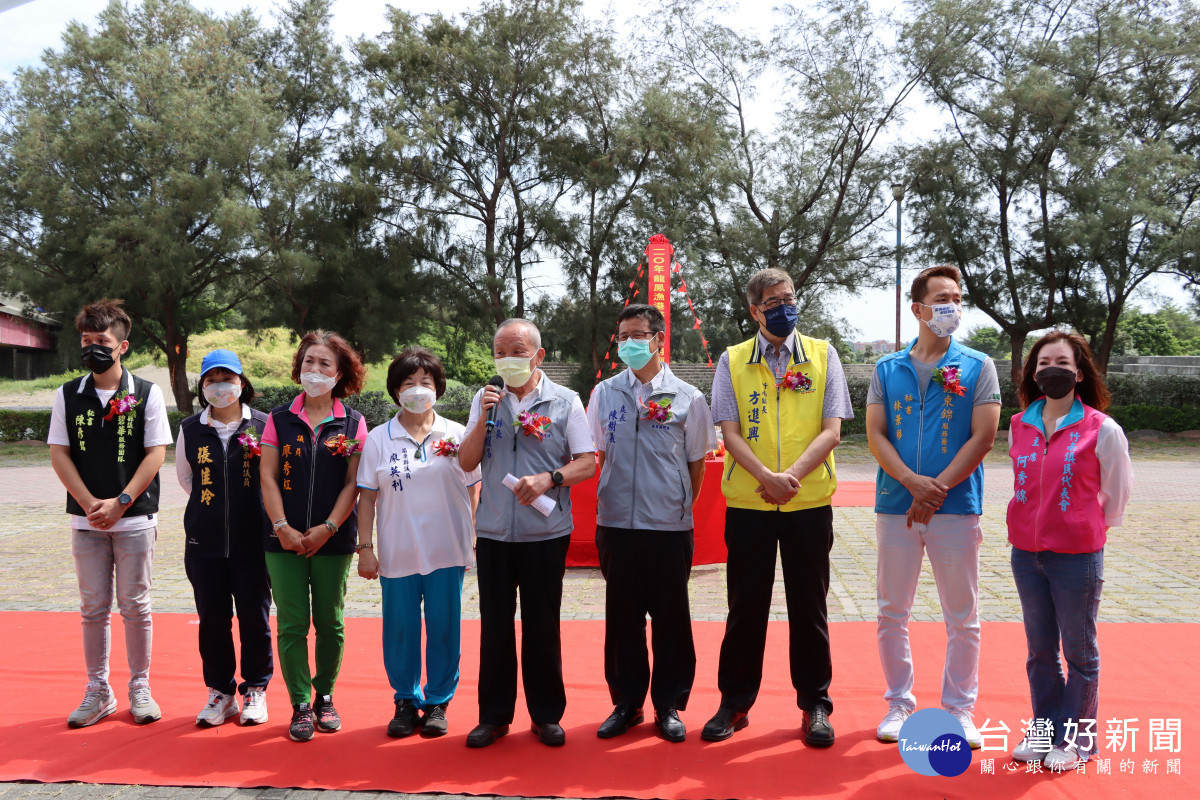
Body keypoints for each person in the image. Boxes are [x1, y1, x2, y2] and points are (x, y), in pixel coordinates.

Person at [702, 268, 854, 747]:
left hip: (808, 502)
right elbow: (727, 431)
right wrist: (767, 478)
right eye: (772, 301)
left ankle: (815, 705)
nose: (783, 307)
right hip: (750, 502)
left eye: (789, 298)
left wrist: (792, 478)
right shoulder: (732, 360)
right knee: (745, 606)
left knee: (809, 606)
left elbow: (832, 430)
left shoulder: (824, 356)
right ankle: (735, 703)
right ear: (754, 310)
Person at [865, 264, 1001, 747]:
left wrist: (935, 490)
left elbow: (983, 437)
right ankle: (899, 704)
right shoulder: (887, 368)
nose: (952, 307)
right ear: (918, 308)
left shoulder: (977, 366)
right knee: (891, 611)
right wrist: (909, 482)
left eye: (957, 298)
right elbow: (876, 433)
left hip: (956, 507)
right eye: (942, 298)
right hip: (895, 505)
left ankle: (960, 710)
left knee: (962, 615)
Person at [458, 318, 596, 748]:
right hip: (496, 532)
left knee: (542, 624)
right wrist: (483, 416)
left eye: (517, 352)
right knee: (495, 626)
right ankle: (494, 717)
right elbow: (466, 461)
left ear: (538, 356)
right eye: (500, 352)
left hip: (545, 532)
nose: (508, 360)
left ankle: (546, 716)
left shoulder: (565, 401)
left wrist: (549, 478)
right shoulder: (486, 398)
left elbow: (587, 461)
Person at [585, 304, 716, 743]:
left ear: (660, 340)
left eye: (639, 335)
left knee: (670, 617)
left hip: (668, 527)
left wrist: (679, 507)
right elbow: (597, 453)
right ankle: (627, 703)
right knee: (622, 618)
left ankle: (669, 704)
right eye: (623, 336)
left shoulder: (688, 398)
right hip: (617, 524)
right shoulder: (604, 394)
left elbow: (697, 462)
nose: (630, 344)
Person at [1007, 331, 1132, 771]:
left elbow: (1116, 493)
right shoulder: (1019, 424)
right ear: (1033, 373)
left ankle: (1078, 740)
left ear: (1078, 373)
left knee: (1078, 652)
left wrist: (1087, 527)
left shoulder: (1102, 428)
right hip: (1026, 554)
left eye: (1061, 362)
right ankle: (1044, 731)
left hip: (1077, 556)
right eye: (1042, 363)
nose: (1051, 369)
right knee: (1040, 649)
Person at [48, 299, 173, 727]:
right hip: (86, 520)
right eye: (86, 341)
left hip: (134, 518)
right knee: (92, 608)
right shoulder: (69, 394)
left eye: (101, 341)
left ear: (122, 346)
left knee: (135, 605)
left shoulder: (146, 392)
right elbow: (59, 453)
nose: (93, 349)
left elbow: (156, 453)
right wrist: (88, 504)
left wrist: (121, 502)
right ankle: (98, 690)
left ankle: (141, 687)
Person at [355, 347, 481, 739]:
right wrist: (366, 548)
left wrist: (472, 536)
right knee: (400, 629)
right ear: (394, 390)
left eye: (425, 382)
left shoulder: (459, 434)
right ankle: (406, 701)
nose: (417, 390)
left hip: (447, 551)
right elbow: (367, 498)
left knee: (445, 628)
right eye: (408, 383)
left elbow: (474, 489)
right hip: (398, 552)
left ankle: (439, 700)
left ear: (438, 388)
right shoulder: (379, 438)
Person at [260, 330, 368, 742]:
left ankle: (325, 696)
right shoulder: (278, 418)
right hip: (281, 540)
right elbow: (268, 477)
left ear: (339, 373)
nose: (315, 370)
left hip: (333, 540)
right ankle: (300, 703)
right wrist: (282, 527)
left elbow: (352, 485)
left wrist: (328, 528)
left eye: (325, 364)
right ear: (298, 368)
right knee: (291, 624)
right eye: (309, 362)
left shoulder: (354, 422)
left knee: (330, 622)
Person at [175, 349, 273, 727]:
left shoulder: (264, 426)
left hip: (253, 541)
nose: (220, 386)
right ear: (202, 386)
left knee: (255, 617)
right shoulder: (190, 429)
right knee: (212, 619)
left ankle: (256, 690)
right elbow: (188, 480)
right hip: (205, 543)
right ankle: (220, 692)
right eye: (211, 379)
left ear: (242, 383)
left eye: (227, 378)